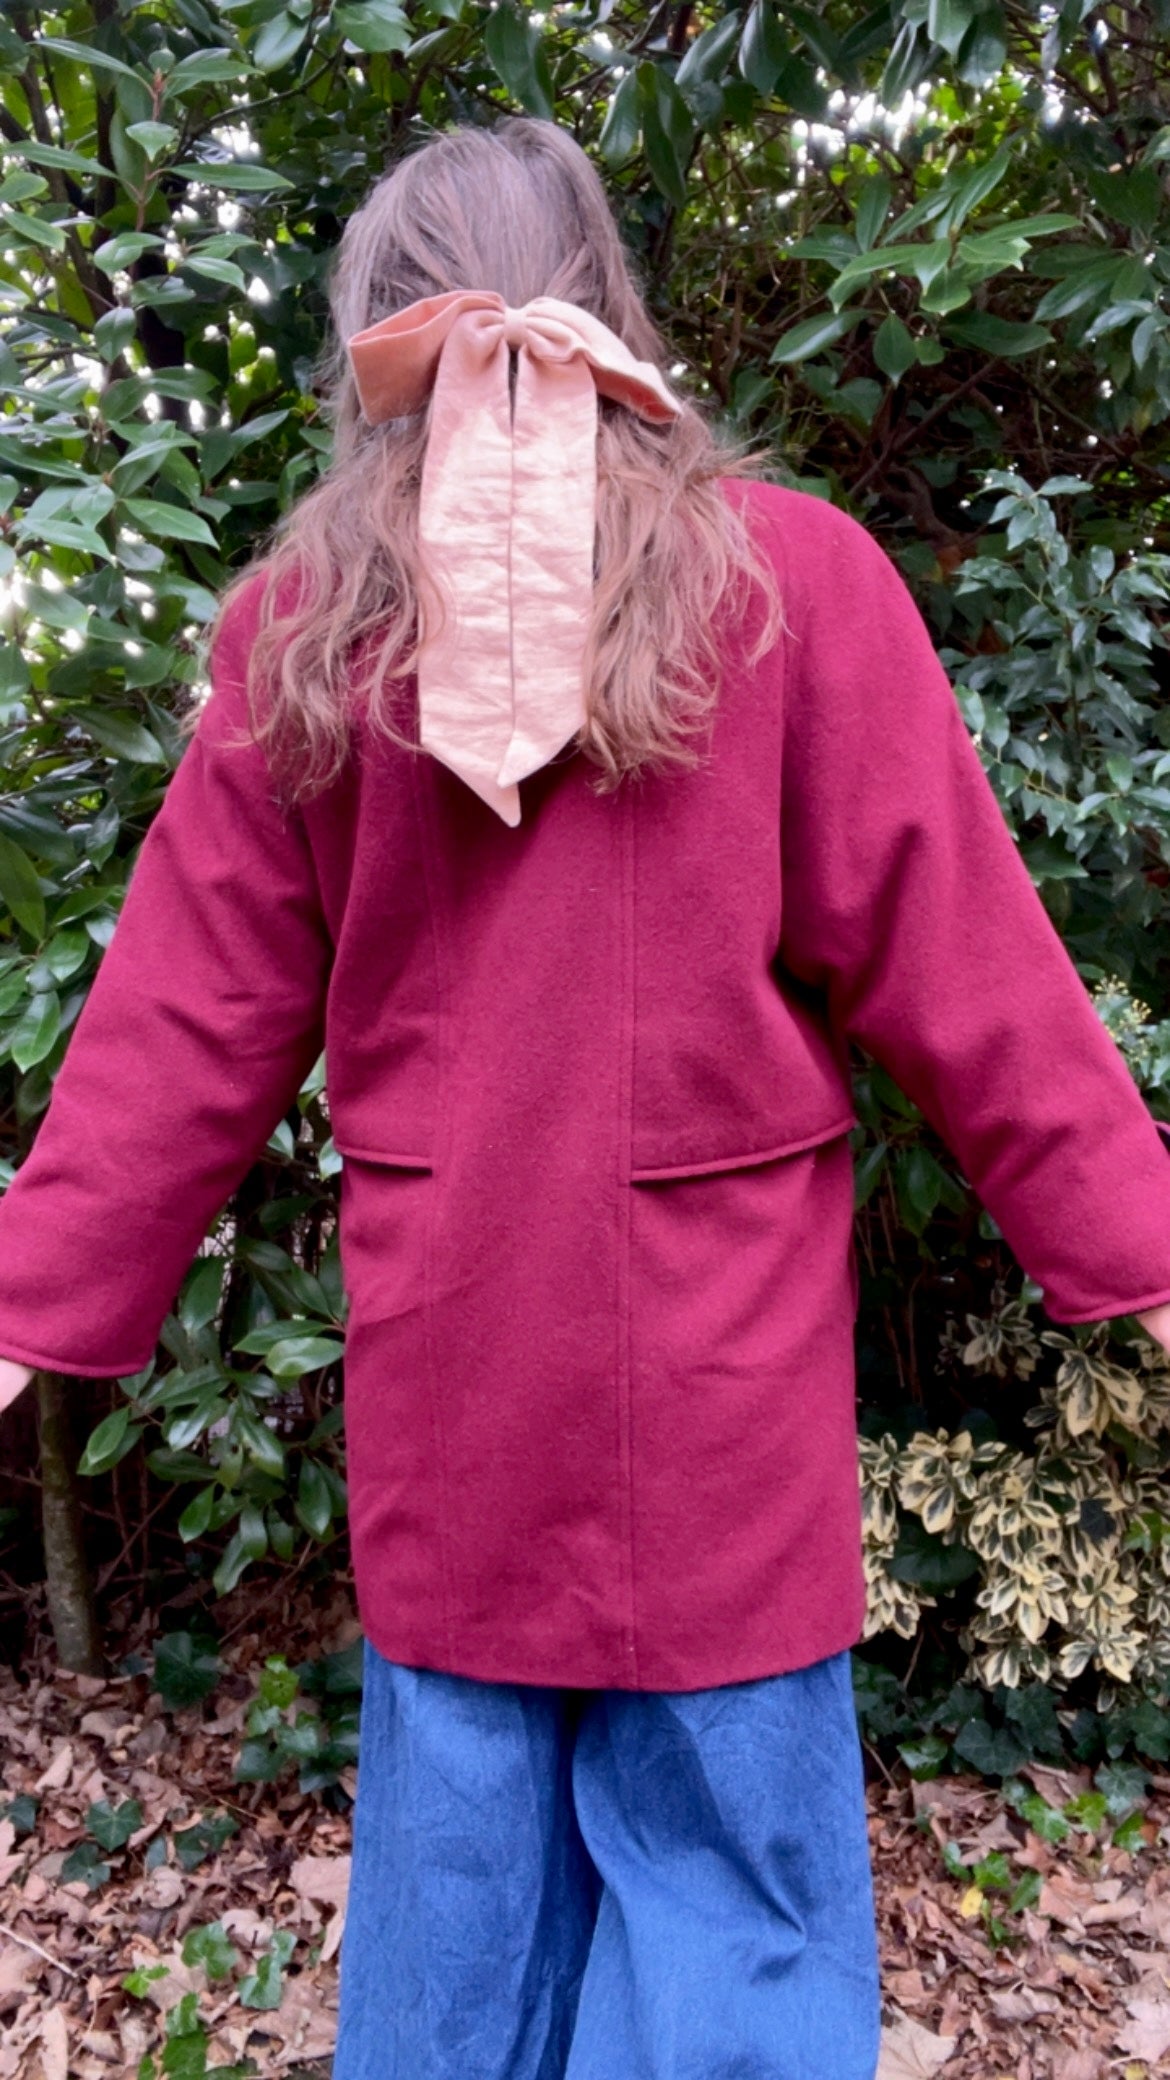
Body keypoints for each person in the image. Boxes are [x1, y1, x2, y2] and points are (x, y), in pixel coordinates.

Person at [1, 116, 1170, 2080]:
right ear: (606, 295)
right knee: (734, 1934)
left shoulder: (311, 626)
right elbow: (969, 965)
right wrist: (1138, 1242)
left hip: (463, 1356)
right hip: (719, 1386)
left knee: (463, 1941)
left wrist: (35, 1290)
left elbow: (181, 1025)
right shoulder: (792, 580)